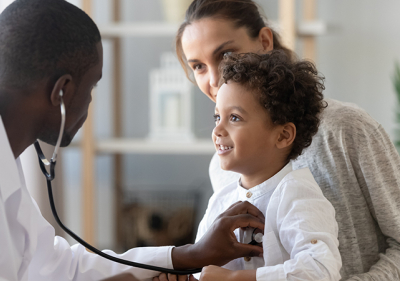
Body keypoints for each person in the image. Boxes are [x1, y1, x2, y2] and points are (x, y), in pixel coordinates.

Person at [0, 0, 266, 280]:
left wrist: (190, 254)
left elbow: (62, 265)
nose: (89, 105)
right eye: (91, 88)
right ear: (62, 92)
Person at [155, 0, 400, 280]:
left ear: (264, 41)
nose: (215, 79)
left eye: (225, 55)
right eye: (198, 66)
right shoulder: (224, 169)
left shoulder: (347, 130)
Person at [205, 50, 341, 280]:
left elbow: (321, 270)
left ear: (283, 136)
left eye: (235, 117)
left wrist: (234, 278)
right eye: (217, 117)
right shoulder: (220, 201)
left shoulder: (298, 195)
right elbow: (203, 267)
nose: (218, 130)